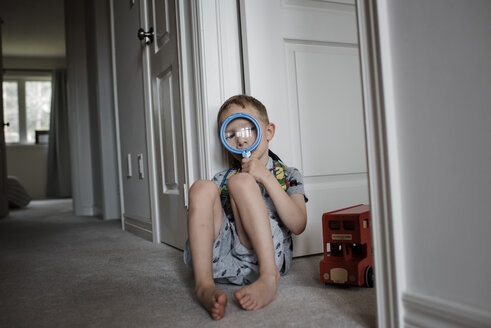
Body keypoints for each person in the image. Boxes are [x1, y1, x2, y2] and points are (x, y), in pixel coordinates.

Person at [183, 95, 308, 320]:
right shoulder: (222, 178)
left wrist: (266, 178)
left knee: (241, 182)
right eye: (231, 135)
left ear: (268, 132)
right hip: (223, 259)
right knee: (202, 187)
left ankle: (268, 278)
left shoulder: (289, 175)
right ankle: (203, 284)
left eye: (247, 130)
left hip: (265, 257)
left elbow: (298, 224)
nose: (240, 141)